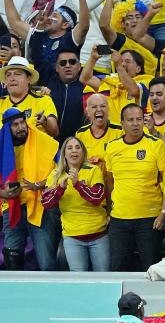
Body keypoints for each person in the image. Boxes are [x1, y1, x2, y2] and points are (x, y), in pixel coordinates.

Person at [103, 103, 165, 271]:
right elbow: (110, 182)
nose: (135, 123)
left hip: (149, 219)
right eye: (130, 120)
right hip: (119, 218)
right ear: (122, 123)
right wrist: (109, 211)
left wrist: (163, 213)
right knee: (117, 267)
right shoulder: (112, 147)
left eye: (139, 119)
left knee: (151, 268)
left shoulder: (156, 145)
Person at [0, 107, 59, 270]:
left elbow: (60, 170)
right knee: (12, 256)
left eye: (22, 123)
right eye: (15, 125)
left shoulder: (41, 140)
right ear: (7, 128)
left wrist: (40, 184)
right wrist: (4, 193)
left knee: (47, 261)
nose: (21, 128)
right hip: (11, 208)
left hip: (39, 206)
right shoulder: (1, 146)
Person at [41, 136, 109, 271]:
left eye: (78, 147)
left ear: (83, 152)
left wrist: (77, 184)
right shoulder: (55, 174)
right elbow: (46, 203)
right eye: (70, 148)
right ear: (64, 153)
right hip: (72, 237)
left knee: (103, 277)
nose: (74, 151)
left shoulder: (93, 170)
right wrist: (60, 188)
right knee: (78, 279)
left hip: (98, 235)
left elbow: (97, 197)